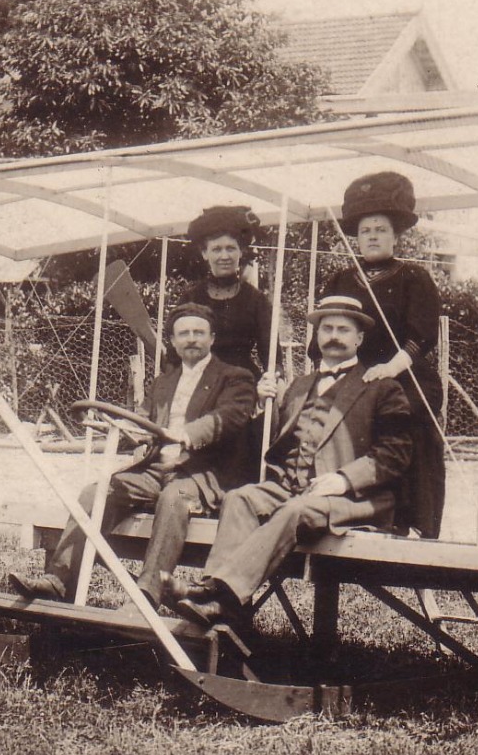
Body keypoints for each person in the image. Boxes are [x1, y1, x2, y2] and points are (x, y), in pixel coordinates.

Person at [171, 295, 412, 630]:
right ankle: (220, 601)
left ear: (359, 339)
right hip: (290, 487)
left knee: (294, 512)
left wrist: (343, 479)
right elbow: (274, 443)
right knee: (239, 498)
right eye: (326, 328)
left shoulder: (382, 387)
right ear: (316, 336)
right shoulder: (298, 386)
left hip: (352, 499)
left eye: (344, 329)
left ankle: (218, 596)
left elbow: (395, 454)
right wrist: (262, 406)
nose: (334, 335)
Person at [11, 304, 256, 610]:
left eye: (199, 333)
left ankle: (147, 595)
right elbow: (141, 420)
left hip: (197, 476)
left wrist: (187, 434)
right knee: (96, 492)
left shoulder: (234, 378)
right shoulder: (164, 382)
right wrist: (124, 430)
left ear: (212, 337)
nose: (191, 339)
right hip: (154, 471)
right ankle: (58, 581)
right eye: (184, 334)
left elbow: (229, 417)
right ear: (173, 341)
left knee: (174, 498)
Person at [316, 171, 447, 538]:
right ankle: (351, 510)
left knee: (407, 425)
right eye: (365, 231)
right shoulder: (341, 280)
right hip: (354, 376)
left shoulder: (414, 277)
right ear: (356, 238)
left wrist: (389, 369)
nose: (372, 236)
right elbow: (324, 335)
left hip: (404, 374)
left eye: (381, 230)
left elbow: (420, 336)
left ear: (395, 236)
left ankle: (414, 523)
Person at [178, 205, 272, 378]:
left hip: (242, 384)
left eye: (230, 248)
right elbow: (174, 356)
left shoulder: (256, 300)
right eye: (216, 249)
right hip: (199, 383)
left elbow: (272, 356)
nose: (224, 256)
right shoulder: (190, 298)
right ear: (204, 253)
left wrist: (275, 379)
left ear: (241, 251)